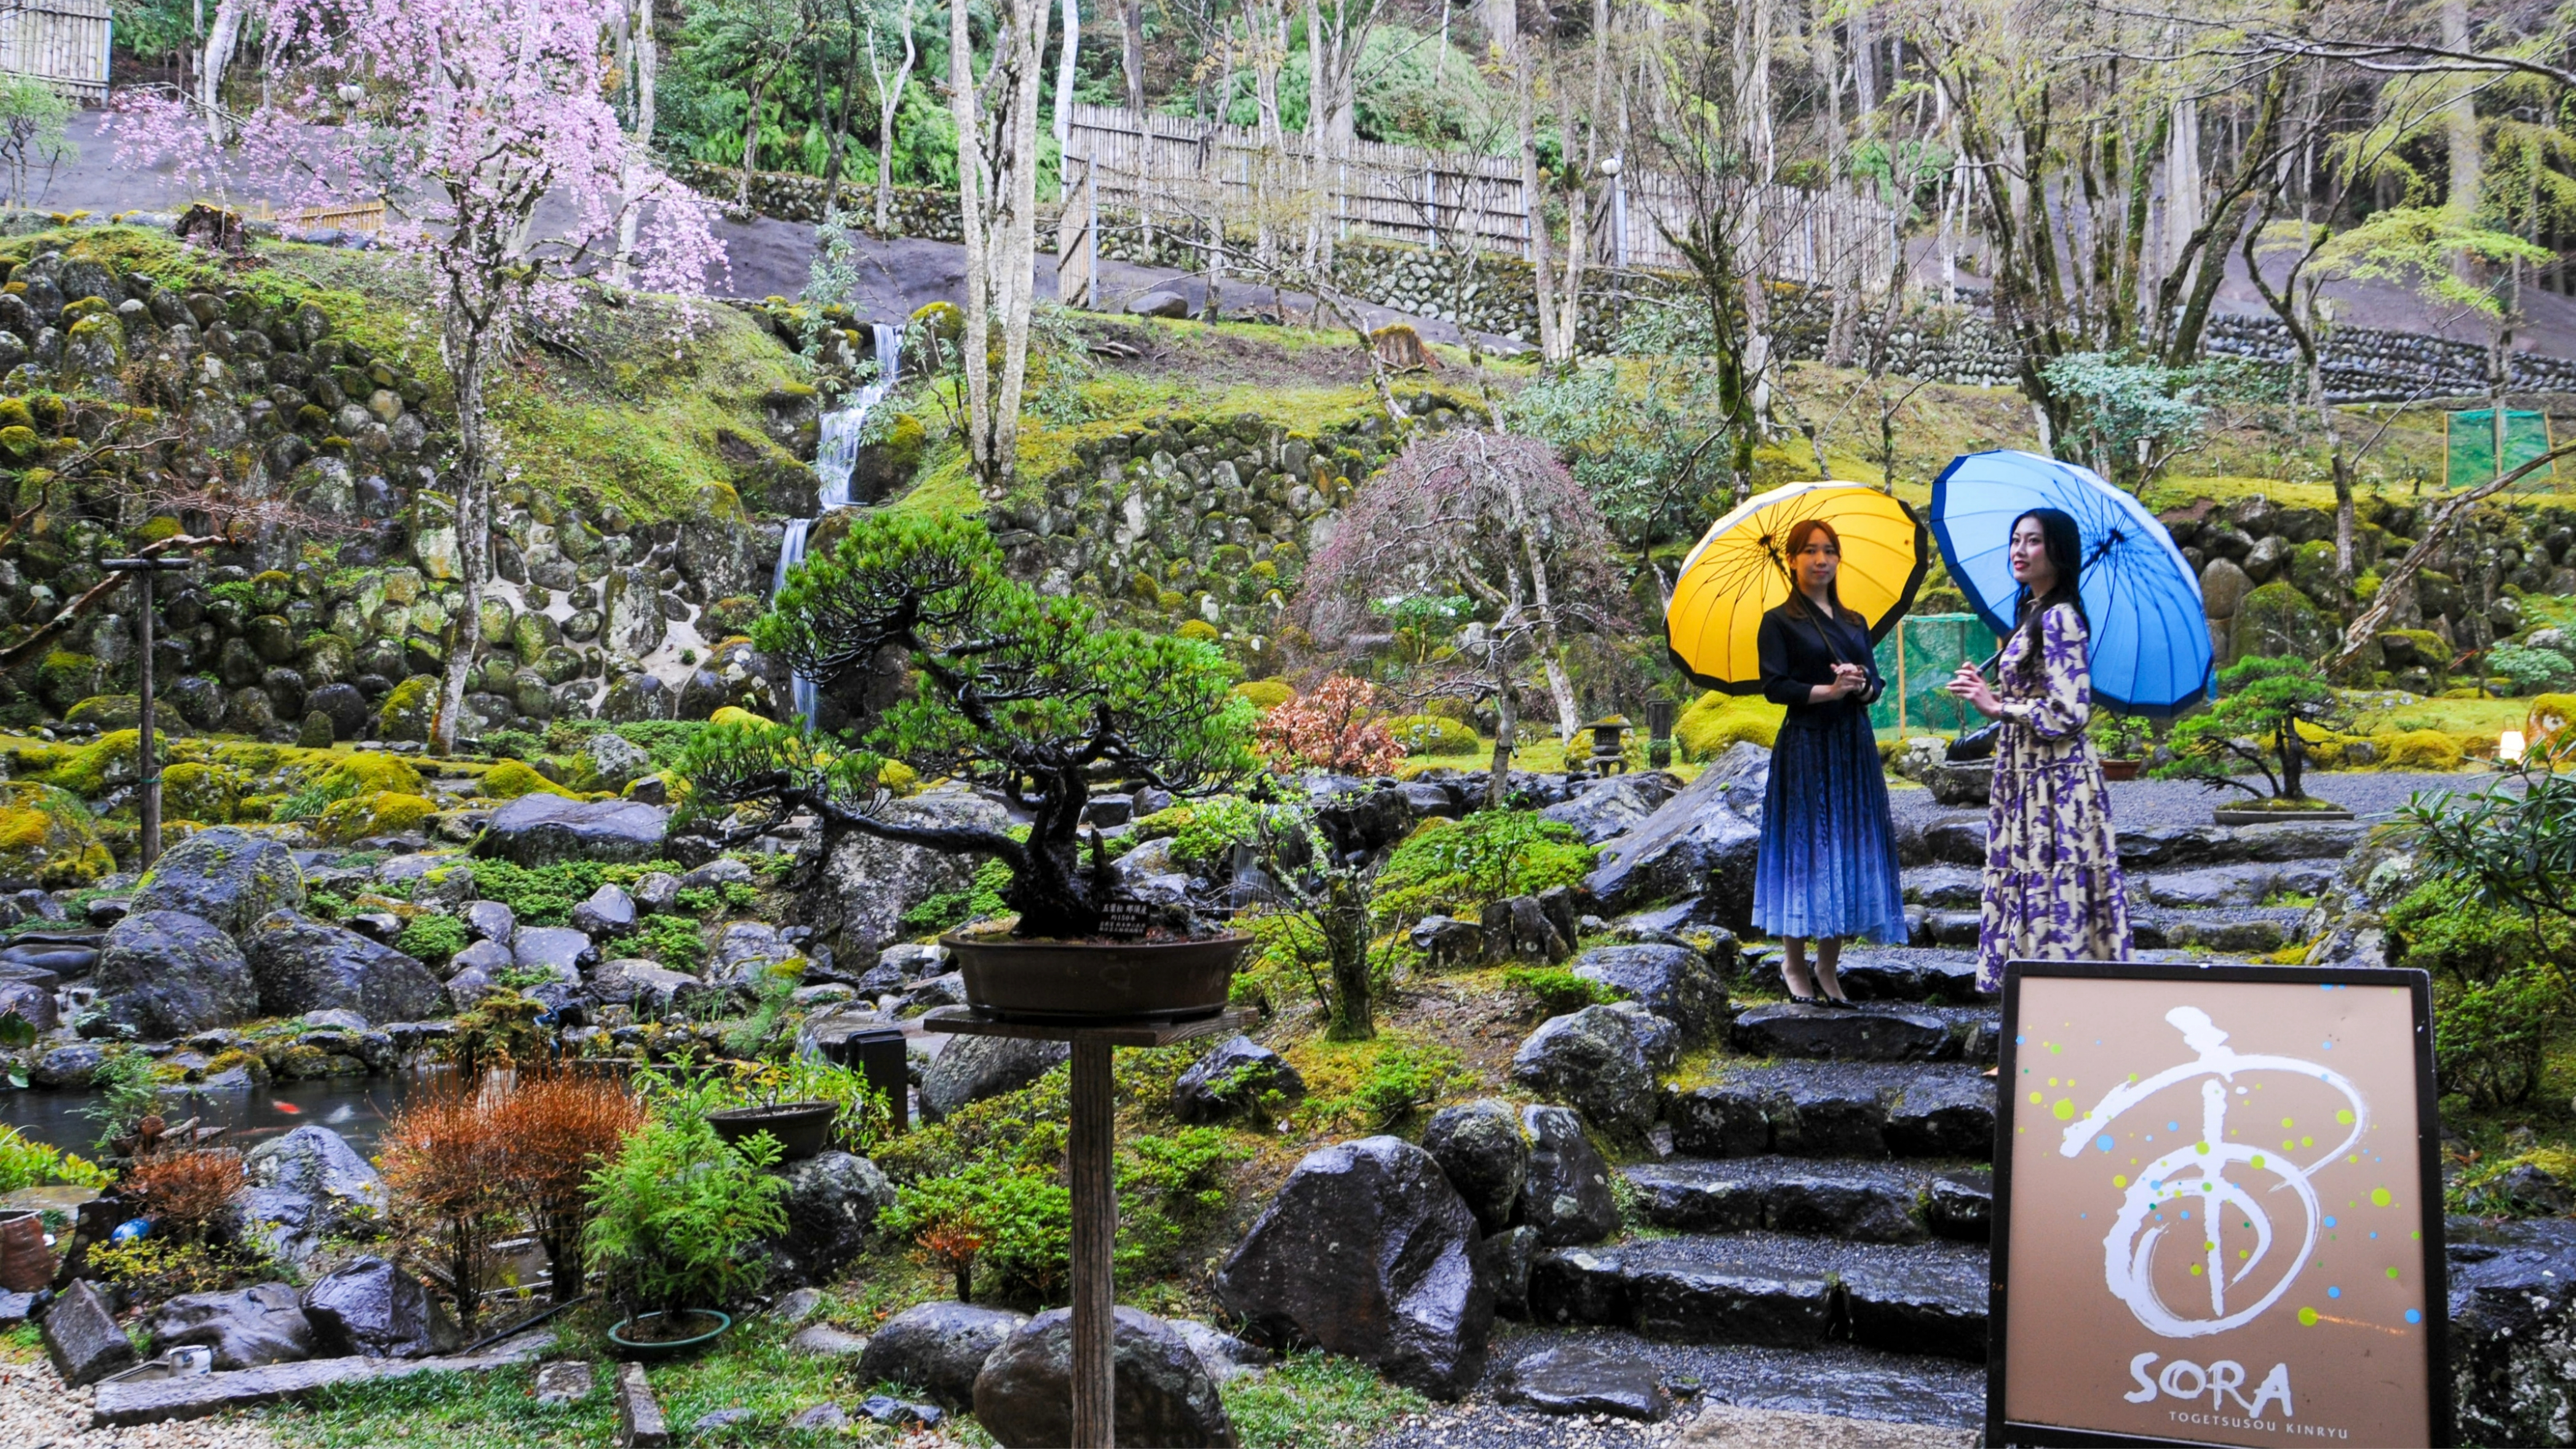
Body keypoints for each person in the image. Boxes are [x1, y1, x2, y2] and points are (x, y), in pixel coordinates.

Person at [1947, 507, 2133, 993]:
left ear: (2058, 552)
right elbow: (2032, 693)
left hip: (2057, 783)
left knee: (2052, 892)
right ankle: (2028, 1031)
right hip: (2026, 776)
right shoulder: (2033, 612)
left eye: (2033, 541)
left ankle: (2057, 1026)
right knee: (2031, 889)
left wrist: (1998, 708)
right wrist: (1986, 690)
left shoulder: (2062, 618)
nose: (2019, 550)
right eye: (2015, 540)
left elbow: (2071, 712)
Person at [1751, 518, 1907, 1006]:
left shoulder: (1855, 622)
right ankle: (1794, 963)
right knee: (1807, 850)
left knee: (1845, 849)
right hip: (1807, 746)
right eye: (1810, 551)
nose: (1821, 560)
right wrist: (1828, 690)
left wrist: (1859, 686)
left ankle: (1829, 965)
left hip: (1852, 747)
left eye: (1829, 551)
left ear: (1839, 559)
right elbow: (1775, 687)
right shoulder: (1778, 622)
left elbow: (1877, 687)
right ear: (1793, 560)